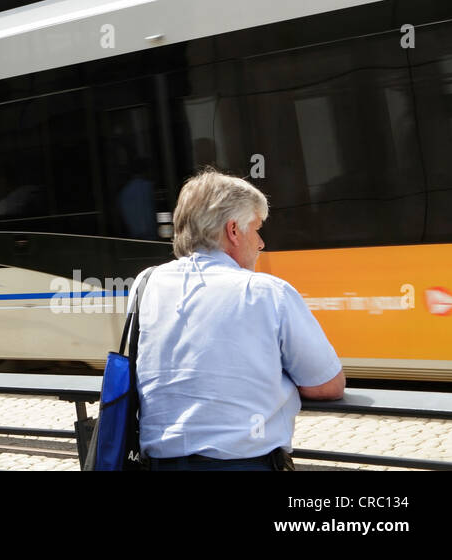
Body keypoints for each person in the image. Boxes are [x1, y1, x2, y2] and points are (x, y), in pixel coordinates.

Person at [131, 167, 344, 470]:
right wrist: (272, 379)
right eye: (256, 229)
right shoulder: (267, 291)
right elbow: (327, 384)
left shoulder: (147, 283)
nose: (260, 243)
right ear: (233, 231)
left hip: (159, 464)